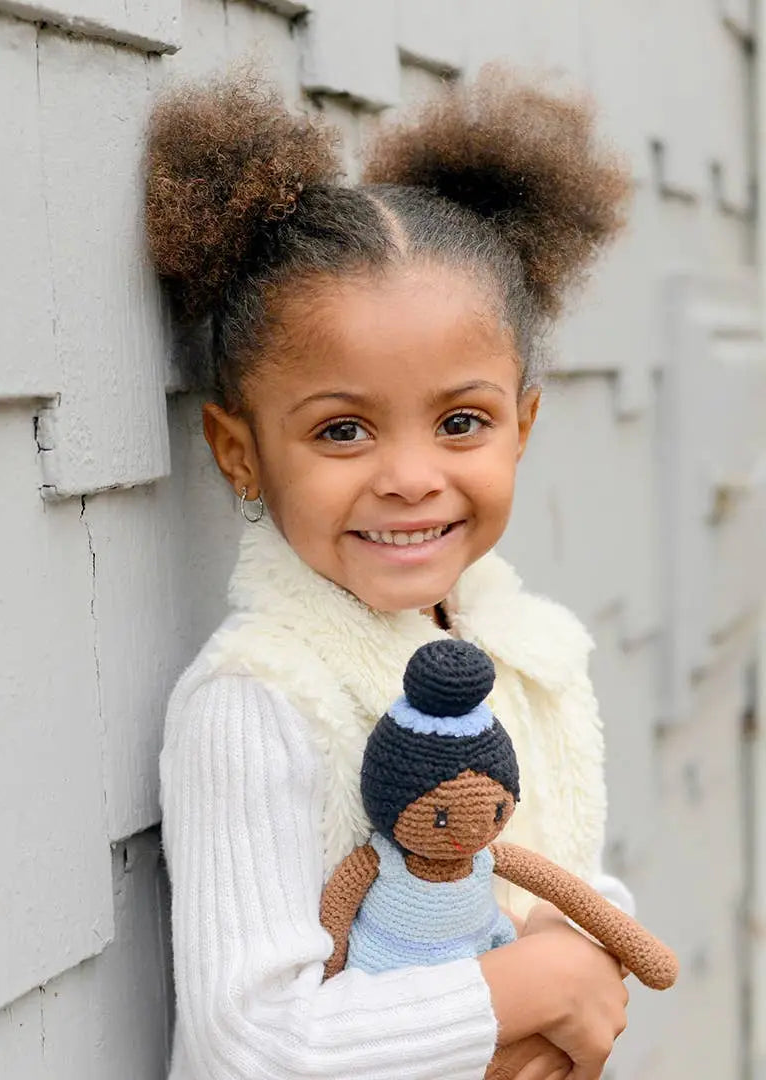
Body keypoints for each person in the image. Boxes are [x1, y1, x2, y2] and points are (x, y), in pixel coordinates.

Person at [149, 67, 635, 1080]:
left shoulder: (526, 651)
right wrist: (530, 994)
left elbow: (564, 879)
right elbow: (253, 1044)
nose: (411, 479)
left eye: (461, 423)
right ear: (239, 453)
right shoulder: (260, 701)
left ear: (522, 426)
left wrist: (585, 957)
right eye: (343, 429)